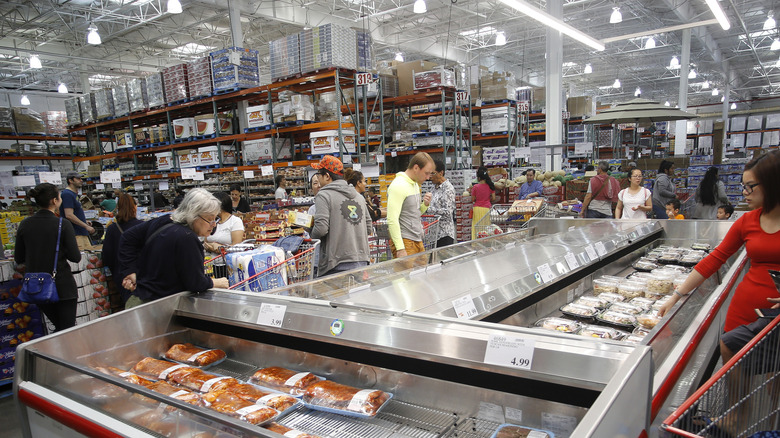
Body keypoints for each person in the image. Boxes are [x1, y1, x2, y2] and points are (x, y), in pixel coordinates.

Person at [659, 151, 780, 435]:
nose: (744, 192)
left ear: (773, 184)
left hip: (774, 321)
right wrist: (676, 296)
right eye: (743, 185)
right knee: (736, 374)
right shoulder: (747, 221)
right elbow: (715, 259)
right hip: (744, 309)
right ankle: (737, 418)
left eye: (751, 186)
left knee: (775, 384)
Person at [118, 188, 229, 309]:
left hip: (138, 300)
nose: (214, 224)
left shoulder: (164, 220)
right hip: (160, 308)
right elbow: (195, 283)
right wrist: (217, 282)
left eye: (215, 219)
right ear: (193, 215)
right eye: (209, 219)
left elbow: (127, 237)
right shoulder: (187, 238)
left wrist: (130, 270)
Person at [15, 183, 81, 332]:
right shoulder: (62, 224)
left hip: (37, 287)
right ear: (54, 200)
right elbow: (75, 257)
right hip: (62, 286)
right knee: (67, 331)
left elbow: (19, 257)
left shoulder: (25, 224)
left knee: (58, 329)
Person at [310, 156, 371, 276]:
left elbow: (321, 229)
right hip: (361, 260)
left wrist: (310, 230)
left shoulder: (324, 195)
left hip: (335, 263)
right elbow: (368, 227)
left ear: (327, 176)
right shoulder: (359, 197)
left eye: (319, 174)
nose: (317, 178)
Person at [387, 152, 434, 258]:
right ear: (416, 168)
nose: (427, 178)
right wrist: (400, 248)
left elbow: (414, 213)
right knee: (405, 274)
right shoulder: (398, 185)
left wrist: (425, 205)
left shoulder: (415, 184)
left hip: (417, 239)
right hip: (405, 242)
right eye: (426, 173)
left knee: (421, 273)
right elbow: (392, 219)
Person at [101, 193, 143, 304]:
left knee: (129, 303)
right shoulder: (143, 226)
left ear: (118, 208)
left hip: (122, 275)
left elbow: (107, 256)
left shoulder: (112, 229)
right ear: (134, 207)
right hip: (141, 273)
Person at [204, 192, 245, 278]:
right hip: (213, 265)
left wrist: (218, 249)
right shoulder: (214, 222)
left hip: (228, 266)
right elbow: (206, 240)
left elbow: (236, 246)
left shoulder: (235, 221)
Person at [60, 171, 94, 250]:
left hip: (81, 232)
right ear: (70, 181)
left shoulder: (74, 194)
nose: (81, 180)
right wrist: (85, 226)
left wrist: (84, 221)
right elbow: (69, 215)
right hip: (75, 234)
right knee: (82, 259)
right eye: (78, 179)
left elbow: (75, 212)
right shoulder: (67, 194)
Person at [427, 160, 456, 247]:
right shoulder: (433, 188)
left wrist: (429, 210)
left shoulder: (448, 189)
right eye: (430, 174)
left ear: (441, 173)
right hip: (433, 234)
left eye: (433, 173)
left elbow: (448, 212)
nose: (430, 177)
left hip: (444, 234)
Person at [471, 166, 496, 240]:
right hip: (486, 209)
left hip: (477, 209)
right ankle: (486, 242)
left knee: (476, 226)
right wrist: (487, 200)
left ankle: (476, 242)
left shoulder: (475, 187)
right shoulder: (490, 186)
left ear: (478, 177)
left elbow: (473, 199)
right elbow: (494, 198)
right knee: (486, 226)